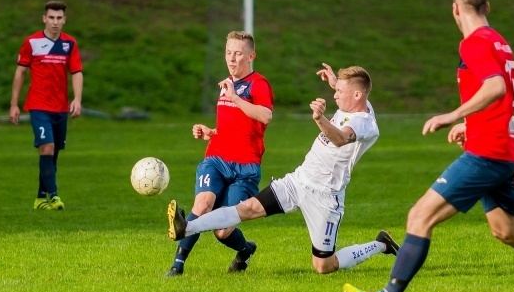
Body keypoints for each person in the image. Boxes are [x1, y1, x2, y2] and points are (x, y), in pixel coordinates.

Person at [341, 0, 514, 292]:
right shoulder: (501, 43)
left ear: (455, 10)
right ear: (487, 6)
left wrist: (454, 115)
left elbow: (496, 88)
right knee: (507, 230)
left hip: (487, 153)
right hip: (503, 149)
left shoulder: (473, 43)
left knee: (419, 217)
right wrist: (473, 123)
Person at [166, 64, 400, 275]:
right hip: (298, 181)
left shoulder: (363, 123)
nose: (335, 94)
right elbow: (353, 91)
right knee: (246, 209)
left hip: (325, 196)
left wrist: (319, 118)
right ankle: (186, 228)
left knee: (323, 266)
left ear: (357, 95)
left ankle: (381, 244)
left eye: (339, 92)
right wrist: (335, 82)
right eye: (335, 89)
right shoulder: (358, 100)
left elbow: (340, 139)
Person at [165, 31, 273, 277]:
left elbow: (265, 116)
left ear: (251, 56)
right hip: (216, 158)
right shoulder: (226, 84)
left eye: (237, 54)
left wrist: (235, 97)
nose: (231, 59)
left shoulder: (259, 84)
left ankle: (245, 250)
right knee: (202, 204)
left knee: (222, 231)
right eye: (228, 53)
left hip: (246, 168)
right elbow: (231, 126)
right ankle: (177, 265)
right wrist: (210, 132)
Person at [10, 1, 83, 210]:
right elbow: (20, 73)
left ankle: (41, 198)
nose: (55, 22)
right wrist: (14, 104)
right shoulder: (31, 42)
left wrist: (76, 99)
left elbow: (76, 72)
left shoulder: (70, 44)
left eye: (59, 18)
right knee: (47, 147)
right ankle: (55, 196)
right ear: (44, 18)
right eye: (51, 17)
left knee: (53, 152)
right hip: (38, 105)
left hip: (60, 108)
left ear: (64, 20)